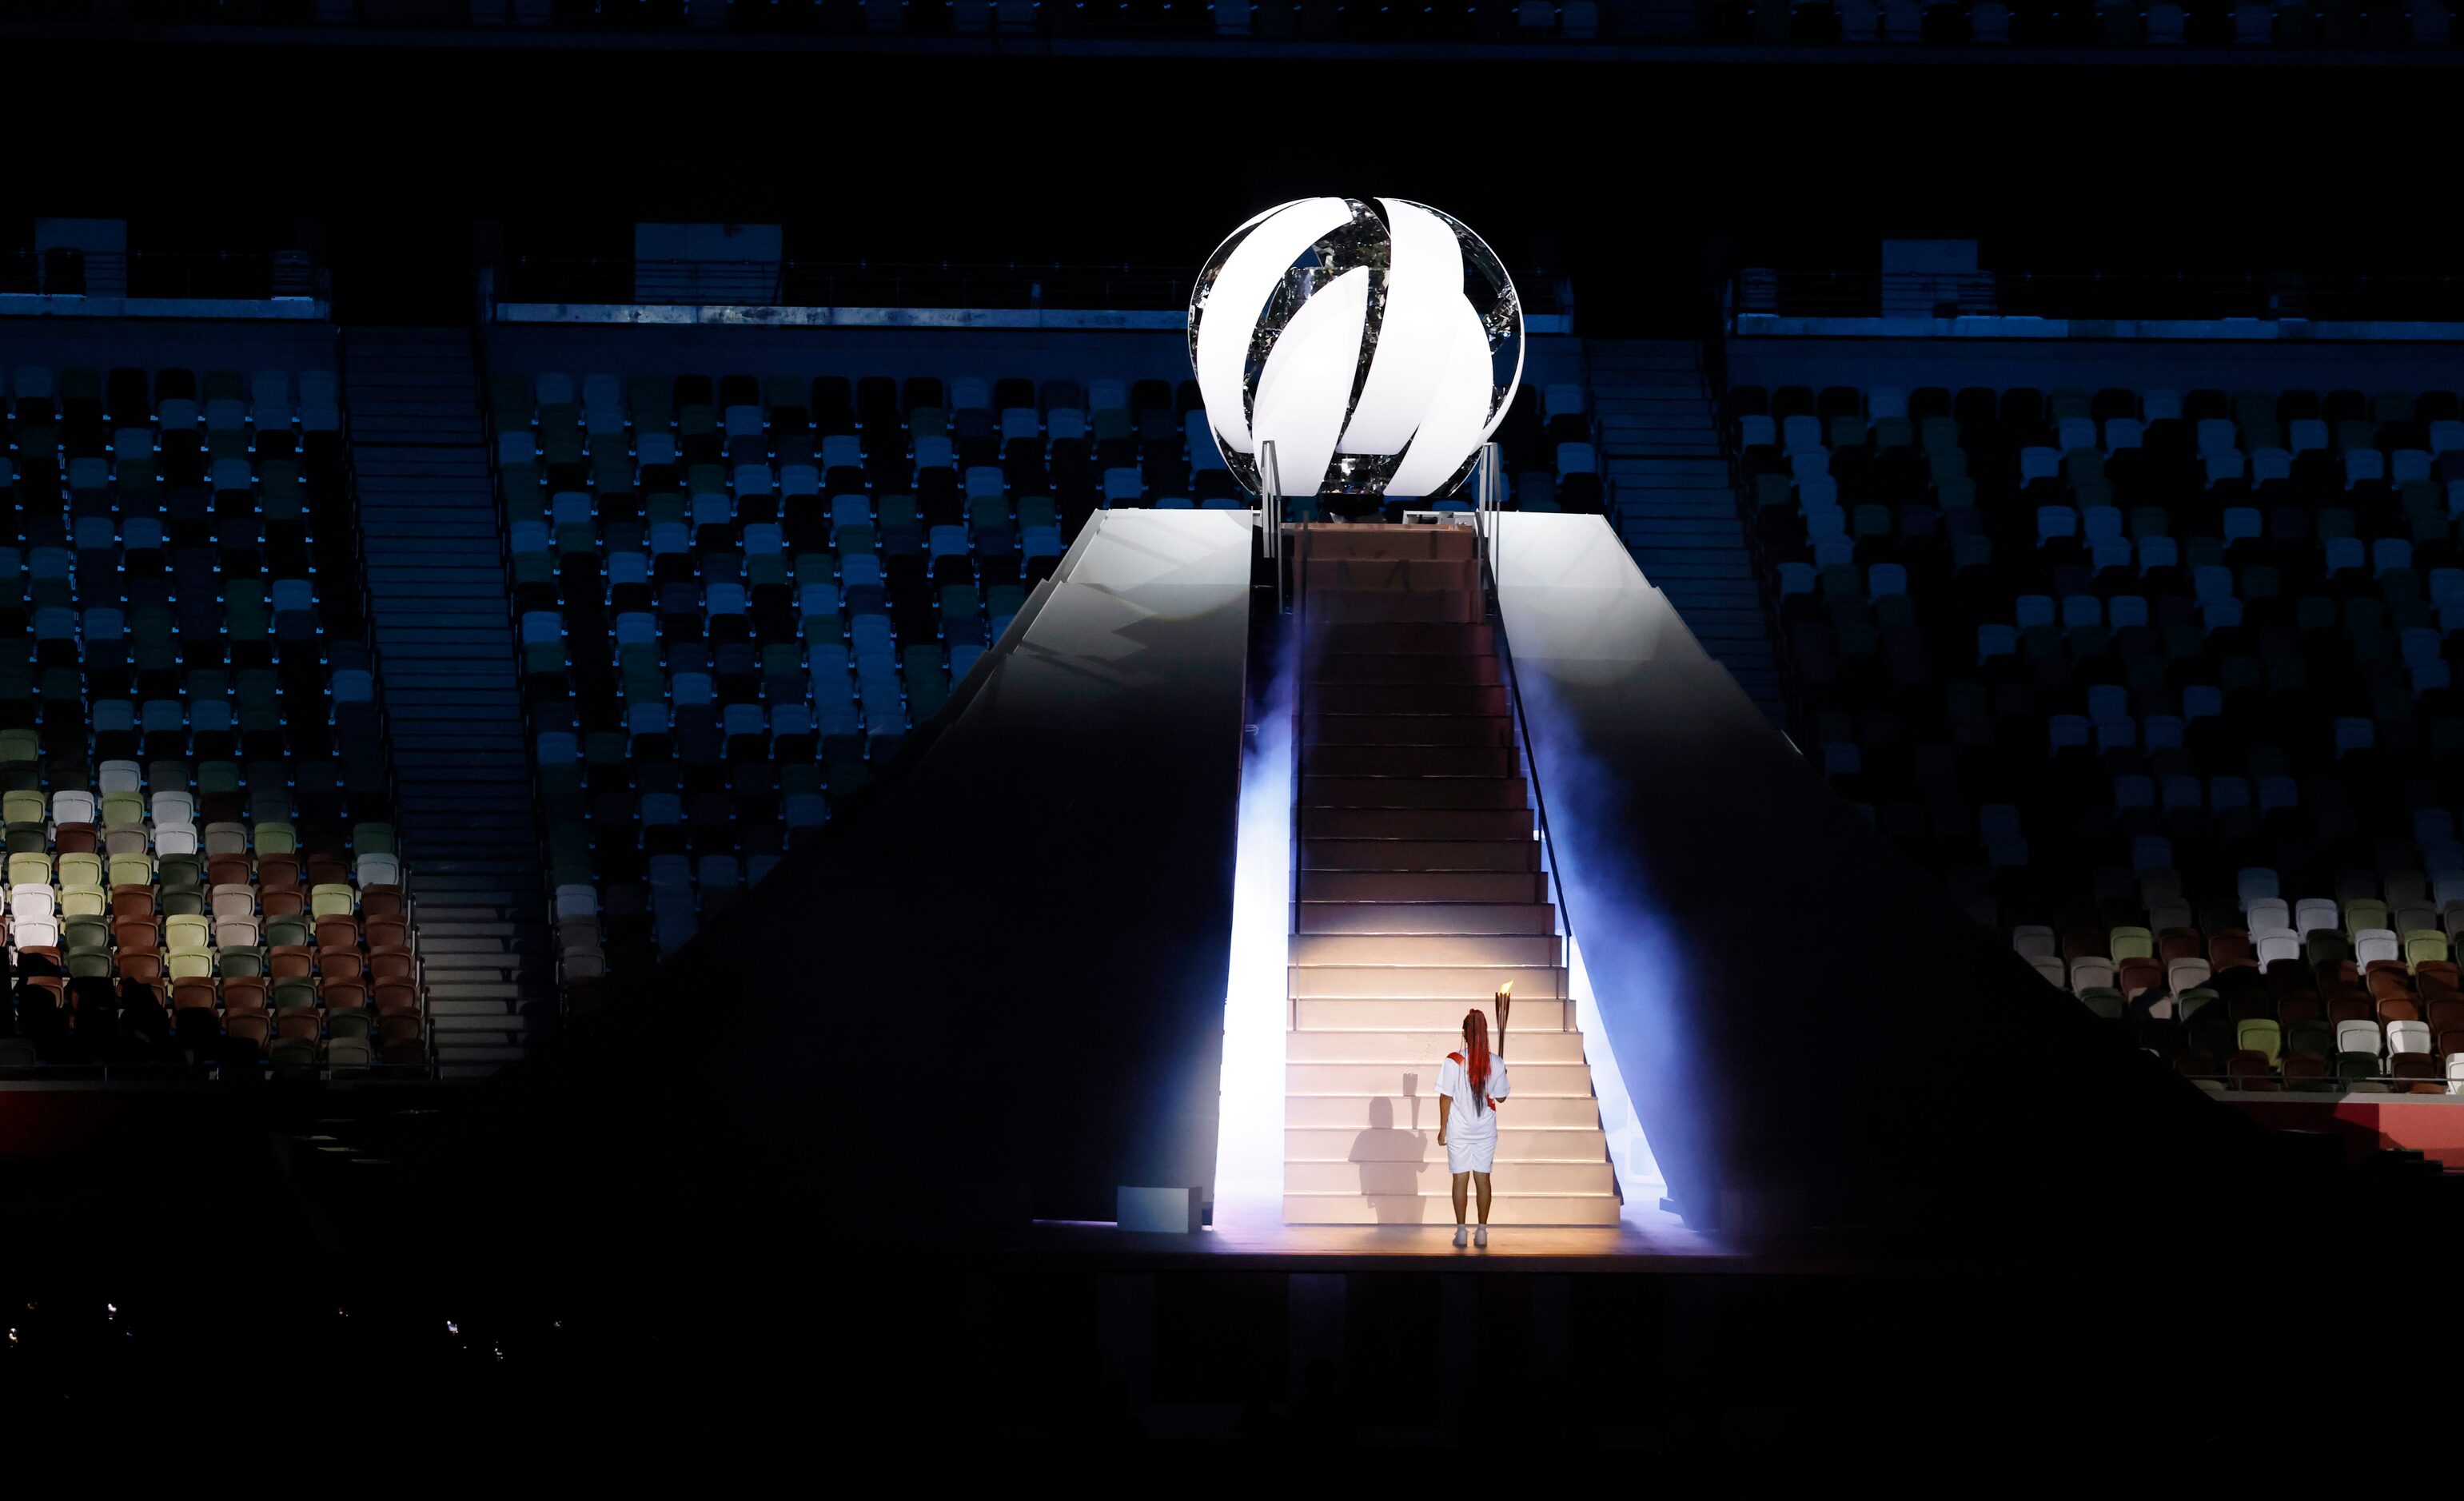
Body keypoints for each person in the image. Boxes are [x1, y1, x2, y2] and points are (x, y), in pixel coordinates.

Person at [1436, 1007, 1509, 1248]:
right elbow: (1501, 1098)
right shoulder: (1496, 1063)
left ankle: (1460, 1232)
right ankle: (1482, 1232)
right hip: (1485, 1131)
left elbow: (1445, 1096)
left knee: (1460, 1180)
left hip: (1459, 1129)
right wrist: (1503, 1072)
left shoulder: (1453, 1061)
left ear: (1465, 1034)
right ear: (1485, 1034)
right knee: (1483, 1179)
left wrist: (1443, 1128)